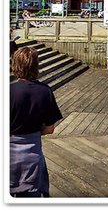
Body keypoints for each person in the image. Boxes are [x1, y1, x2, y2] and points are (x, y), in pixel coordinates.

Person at [10, 46, 64, 197]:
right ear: (36, 66)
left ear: (15, 66)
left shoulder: (8, 91)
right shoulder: (45, 91)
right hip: (32, 156)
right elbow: (50, 128)